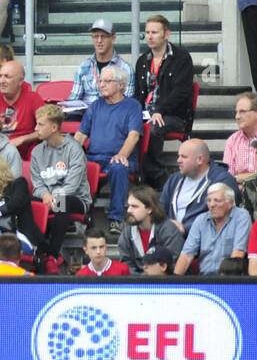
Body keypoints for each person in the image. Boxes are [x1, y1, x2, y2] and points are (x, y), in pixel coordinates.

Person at [67, 67, 143, 235]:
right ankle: (70, 216)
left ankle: (116, 219)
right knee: (69, 166)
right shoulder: (95, 106)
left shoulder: (132, 106)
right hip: (94, 158)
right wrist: (68, 156)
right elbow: (80, 135)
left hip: (120, 158)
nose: (101, 85)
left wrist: (121, 155)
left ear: (121, 85)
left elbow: (134, 136)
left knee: (118, 166)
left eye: (107, 81)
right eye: (100, 81)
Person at [135, 14, 196, 188]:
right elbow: (139, 94)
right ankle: (136, 172)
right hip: (146, 112)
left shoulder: (182, 58)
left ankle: (157, 176)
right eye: (147, 32)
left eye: (154, 32)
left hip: (173, 115)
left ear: (166, 34)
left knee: (154, 128)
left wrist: (160, 109)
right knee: (126, 125)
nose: (150, 36)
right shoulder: (142, 60)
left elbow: (181, 92)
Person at [29, 104, 91, 261]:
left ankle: (52, 255)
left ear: (54, 127)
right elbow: (37, 183)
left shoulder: (74, 149)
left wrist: (53, 197)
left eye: (41, 124)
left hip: (75, 198)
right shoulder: (37, 152)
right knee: (23, 201)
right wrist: (45, 195)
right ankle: (39, 249)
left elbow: (72, 185)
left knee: (62, 202)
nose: (36, 128)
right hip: (47, 198)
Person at [160, 139, 239, 235]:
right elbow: (160, 209)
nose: (178, 160)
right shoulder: (175, 179)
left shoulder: (222, 180)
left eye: (184, 157)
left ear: (200, 160)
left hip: (204, 240)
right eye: (178, 156)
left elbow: (222, 216)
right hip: (172, 236)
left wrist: (185, 228)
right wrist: (169, 226)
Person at [176, 183, 249, 276]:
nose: (212, 205)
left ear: (230, 203)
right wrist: (174, 282)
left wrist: (221, 281)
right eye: (209, 200)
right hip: (204, 278)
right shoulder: (201, 220)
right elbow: (186, 255)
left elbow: (238, 253)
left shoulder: (241, 216)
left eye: (217, 201)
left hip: (229, 278)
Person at [117, 185, 184, 274]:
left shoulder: (168, 230)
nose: (129, 210)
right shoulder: (127, 231)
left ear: (149, 209)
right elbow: (126, 264)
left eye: (134, 206)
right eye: (128, 206)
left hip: (164, 284)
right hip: (137, 284)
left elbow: (171, 265)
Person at [69, 19, 134, 107]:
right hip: (86, 115)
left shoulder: (125, 68)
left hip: (113, 115)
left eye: (103, 36)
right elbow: (74, 98)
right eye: (95, 36)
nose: (99, 41)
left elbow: (126, 102)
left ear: (113, 38)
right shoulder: (83, 67)